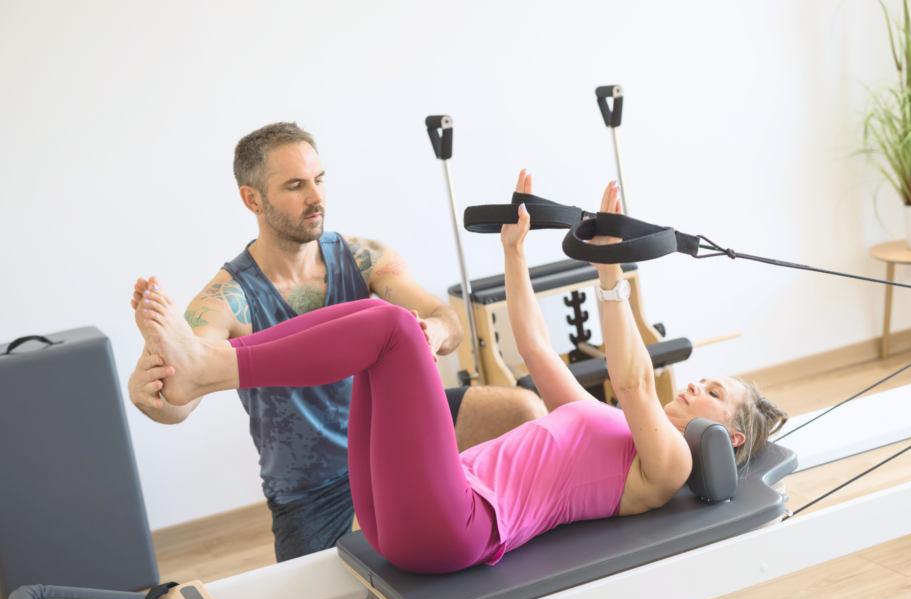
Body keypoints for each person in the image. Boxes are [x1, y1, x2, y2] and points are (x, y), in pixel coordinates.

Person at [133, 172, 787, 574]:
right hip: (405, 518)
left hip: (456, 524)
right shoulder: (615, 427)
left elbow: (637, 378)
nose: (698, 384)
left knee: (390, 327)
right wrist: (514, 253)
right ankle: (209, 367)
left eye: (715, 391)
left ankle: (211, 368)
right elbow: (533, 347)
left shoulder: (667, 466)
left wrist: (609, 277)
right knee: (368, 318)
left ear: (729, 437)